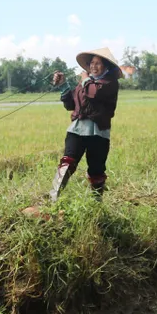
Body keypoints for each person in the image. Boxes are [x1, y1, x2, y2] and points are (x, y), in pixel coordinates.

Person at [50, 47, 121, 201]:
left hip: (99, 133)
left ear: (106, 67)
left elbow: (93, 93)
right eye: (91, 63)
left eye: (98, 63)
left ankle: (96, 203)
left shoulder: (110, 83)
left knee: (96, 170)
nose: (93, 66)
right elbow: (71, 104)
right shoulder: (84, 83)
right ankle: (53, 197)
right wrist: (63, 85)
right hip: (77, 130)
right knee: (67, 162)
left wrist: (85, 79)